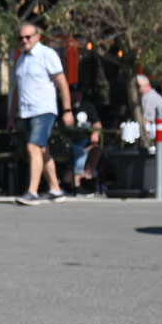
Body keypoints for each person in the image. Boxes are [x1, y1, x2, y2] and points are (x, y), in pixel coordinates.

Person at [13, 22, 71, 204]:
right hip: (26, 112)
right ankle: (55, 189)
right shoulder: (21, 59)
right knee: (42, 150)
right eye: (21, 37)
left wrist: (68, 110)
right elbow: (17, 89)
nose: (24, 40)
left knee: (33, 148)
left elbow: (62, 81)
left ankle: (32, 191)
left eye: (28, 37)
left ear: (38, 36)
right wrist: (11, 115)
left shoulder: (47, 54)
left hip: (44, 110)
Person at [68, 97, 102, 193]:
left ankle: (85, 178)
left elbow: (97, 124)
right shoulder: (62, 105)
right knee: (81, 151)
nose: (75, 95)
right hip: (66, 142)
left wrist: (95, 134)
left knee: (95, 150)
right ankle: (76, 182)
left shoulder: (87, 105)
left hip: (84, 141)